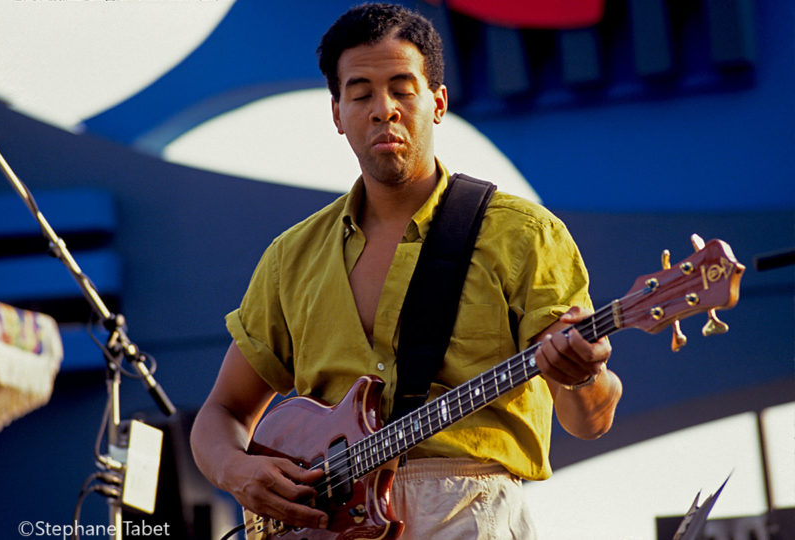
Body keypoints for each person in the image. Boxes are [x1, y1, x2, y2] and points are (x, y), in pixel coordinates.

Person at [190, 3, 622, 539]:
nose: (383, 109)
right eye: (361, 92)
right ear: (336, 112)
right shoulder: (290, 257)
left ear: (438, 102)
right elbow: (221, 413)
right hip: (327, 525)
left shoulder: (523, 234)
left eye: (402, 88)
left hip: (468, 510)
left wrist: (584, 375)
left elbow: (589, 420)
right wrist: (237, 469)